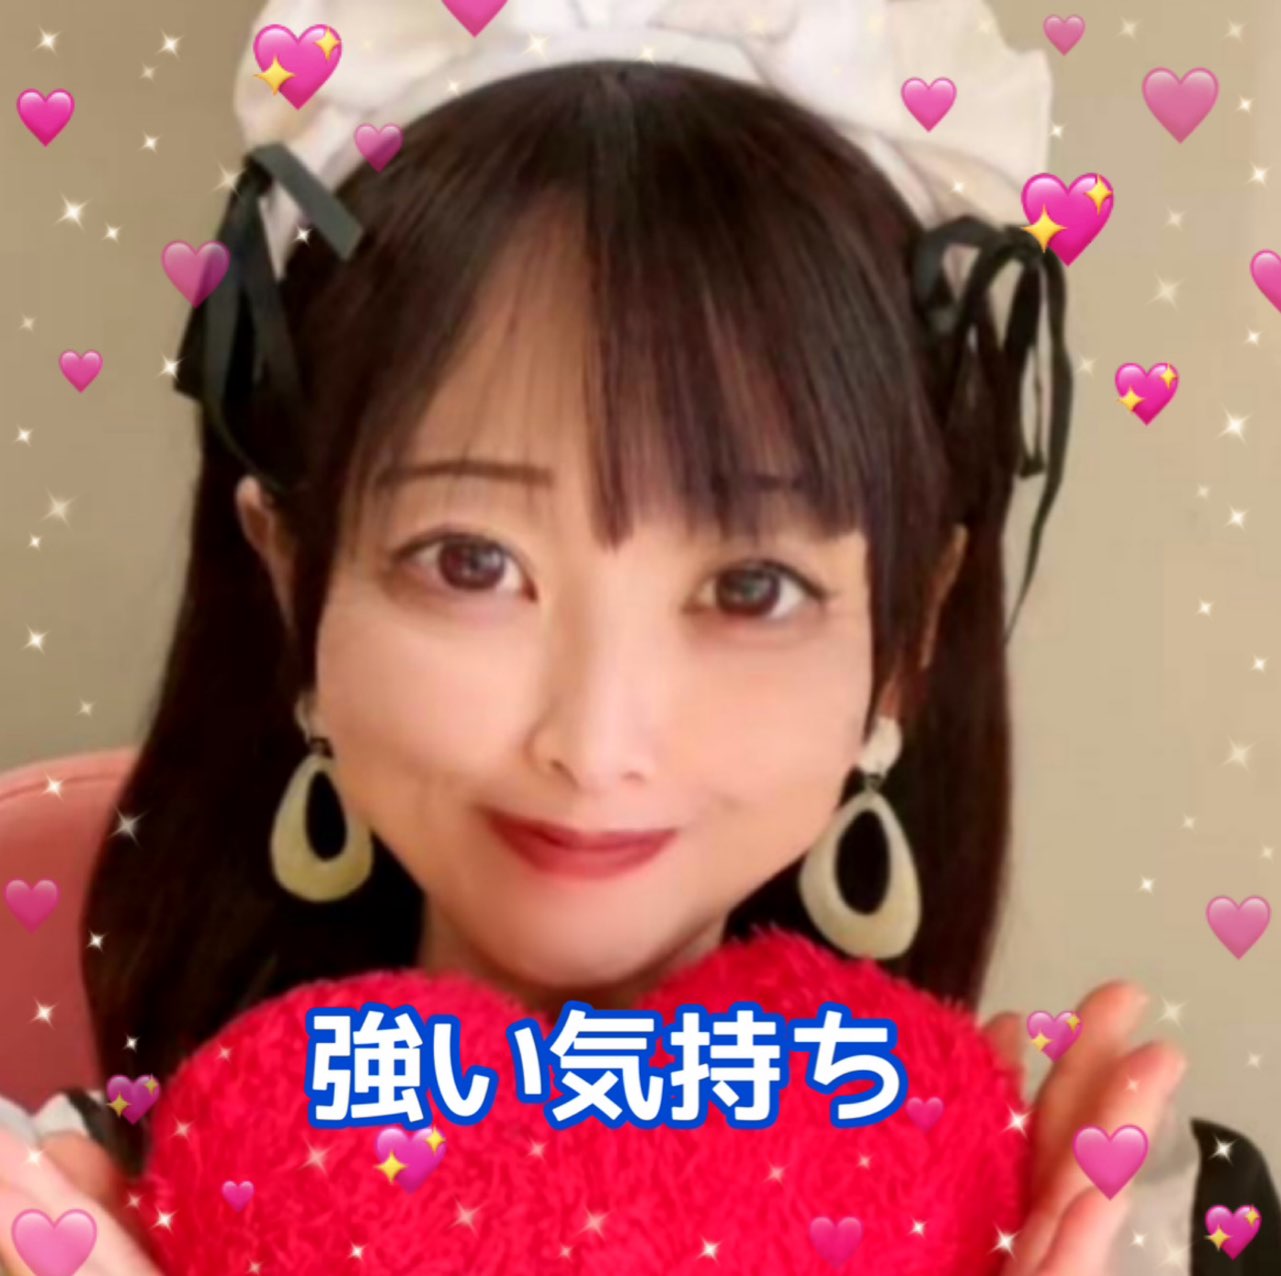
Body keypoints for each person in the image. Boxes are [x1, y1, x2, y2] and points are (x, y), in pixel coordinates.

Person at [1, 1, 1275, 1272]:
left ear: (909, 634)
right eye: (472, 562)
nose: (595, 741)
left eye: (750, 587)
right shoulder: (93, 1213)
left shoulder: (1135, 1226)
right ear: (293, 576)